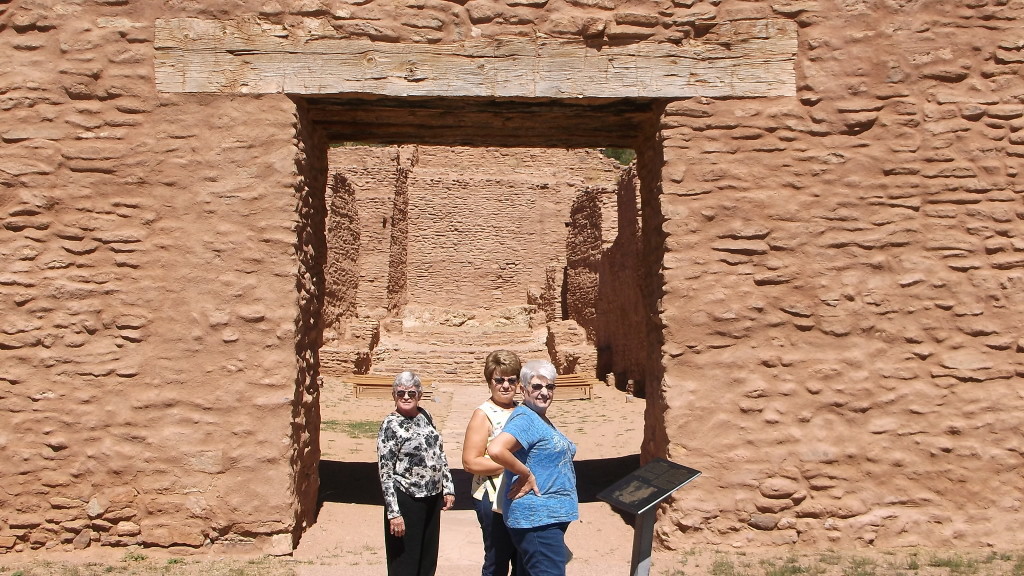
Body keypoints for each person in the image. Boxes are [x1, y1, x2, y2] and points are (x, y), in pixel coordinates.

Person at [487, 360, 577, 576]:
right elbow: (496, 449)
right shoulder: (525, 418)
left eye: (550, 387)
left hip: (547, 518)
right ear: (523, 388)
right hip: (537, 519)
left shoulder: (538, 418)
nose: (544, 392)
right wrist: (525, 473)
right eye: (536, 386)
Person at [377, 371, 456, 576]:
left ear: (419, 395)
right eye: (400, 392)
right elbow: (385, 472)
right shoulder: (390, 425)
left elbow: (439, 452)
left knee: (427, 559)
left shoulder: (426, 416)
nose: (406, 397)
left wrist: (448, 487)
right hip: (407, 499)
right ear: (394, 395)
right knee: (406, 562)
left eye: (411, 393)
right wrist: (394, 513)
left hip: (431, 498)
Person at [462, 350, 523, 576]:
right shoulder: (483, 414)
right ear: (490, 382)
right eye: (499, 380)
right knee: (497, 559)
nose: (505, 385)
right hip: (492, 495)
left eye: (511, 380)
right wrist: (515, 466)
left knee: (523, 557)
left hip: (520, 493)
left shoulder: (524, 410)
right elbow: (470, 462)